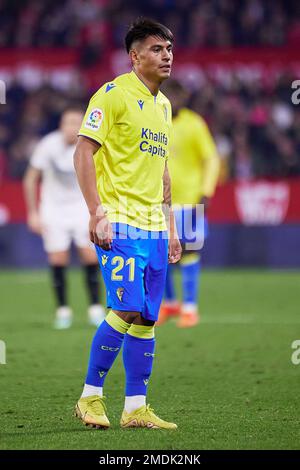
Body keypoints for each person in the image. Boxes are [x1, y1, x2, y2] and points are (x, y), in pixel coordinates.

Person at [73, 18, 182, 430]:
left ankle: (136, 406)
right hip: (119, 222)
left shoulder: (164, 105)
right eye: (156, 49)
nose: (167, 55)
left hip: (154, 226)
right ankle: (90, 397)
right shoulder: (113, 94)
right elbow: (83, 153)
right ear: (134, 56)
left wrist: (171, 226)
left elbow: (163, 171)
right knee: (127, 306)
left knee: (148, 317)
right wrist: (95, 210)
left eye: (169, 48)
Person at [23, 107, 105, 329]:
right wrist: (33, 212)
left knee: (90, 257)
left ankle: (95, 308)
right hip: (53, 209)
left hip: (81, 207)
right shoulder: (48, 145)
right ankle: (63, 310)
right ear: (61, 125)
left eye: (77, 122)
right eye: (68, 122)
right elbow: (30, 178)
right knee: (58, 260)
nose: (72, 127)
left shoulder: (91, 145)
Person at [157, 79, 220, 328]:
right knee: (161, 253)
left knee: (190, 251)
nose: (174, 101)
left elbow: (211, 158)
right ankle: (170, 303)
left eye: (178, 96)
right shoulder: (153, 121)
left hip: (190, 200)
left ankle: (190, 307)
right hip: (158, 201)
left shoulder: (194, 124)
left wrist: (206, 191)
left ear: (184, 99)